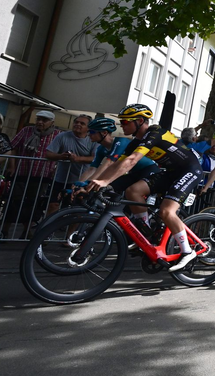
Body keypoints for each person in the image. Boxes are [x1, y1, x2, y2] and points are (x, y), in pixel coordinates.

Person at [87, 104, 203, 272]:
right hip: (170, 172)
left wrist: (105, 182)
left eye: (125, 122)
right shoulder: (135, 142)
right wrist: (99, 182)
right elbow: (118, 164)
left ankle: (187, 251)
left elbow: (132, 161)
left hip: (190, 170)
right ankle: (146, 232)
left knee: (166, 212)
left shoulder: (155, 134)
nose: (122, 125)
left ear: (140, 121)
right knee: (133, 191)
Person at [83, 117, 160, 194]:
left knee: (133, 193)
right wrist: (80, 183)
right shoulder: (100, 148)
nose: (89, 135)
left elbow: (109, 164)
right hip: (133, 173)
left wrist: (89, 183)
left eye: (92, 132)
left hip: (148, 169)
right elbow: (92, 168)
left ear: (104, 133)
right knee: (107, 189)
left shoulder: (120, 142)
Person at [44, 114, 97, 215]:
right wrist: (60, 156)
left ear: (88, 127)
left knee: (77, 208)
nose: (78, 124)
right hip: (61, 179)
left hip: (82, 180)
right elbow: (48, 153)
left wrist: (77, 159)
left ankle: (71, 231)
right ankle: (48, 228)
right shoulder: (62, 136)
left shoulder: (93, 139)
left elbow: (95, 158)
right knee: (53, 205)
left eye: (82, 123)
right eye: (76, 122)